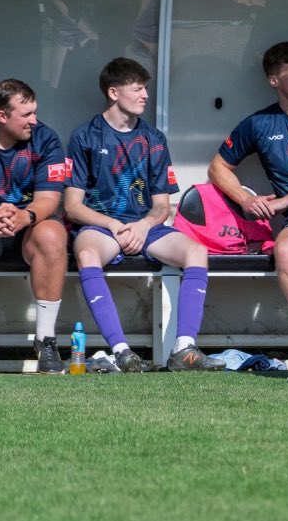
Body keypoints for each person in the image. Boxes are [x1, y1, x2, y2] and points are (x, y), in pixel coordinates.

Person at [65, 57, 225, 372]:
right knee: (86, 254)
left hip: (146, 227)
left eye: (146, 89)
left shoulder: (153, 139)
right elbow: (72, 206)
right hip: (102, 228)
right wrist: (112, 224)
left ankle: (184, 349)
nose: (145, 96)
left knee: (196, 250)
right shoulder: (85, 136)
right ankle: (122, 352)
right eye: (137, 88)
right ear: (113, 93)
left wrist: (143, 225)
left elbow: (162, 205)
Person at [207, 41, 288, 371]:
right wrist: (246, 199)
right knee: (286, 250)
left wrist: (283, 202)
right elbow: (217, 168)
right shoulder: (259, 124)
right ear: (273, 80)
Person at [0, 79, 69, 373]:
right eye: (26, 114)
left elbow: (50, 199)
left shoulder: (46, 138)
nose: (34, 120)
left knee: (53, 233)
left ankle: (46, 341)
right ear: (2, 116)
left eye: (35, 112)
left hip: (28, 225)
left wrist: (25, 216)